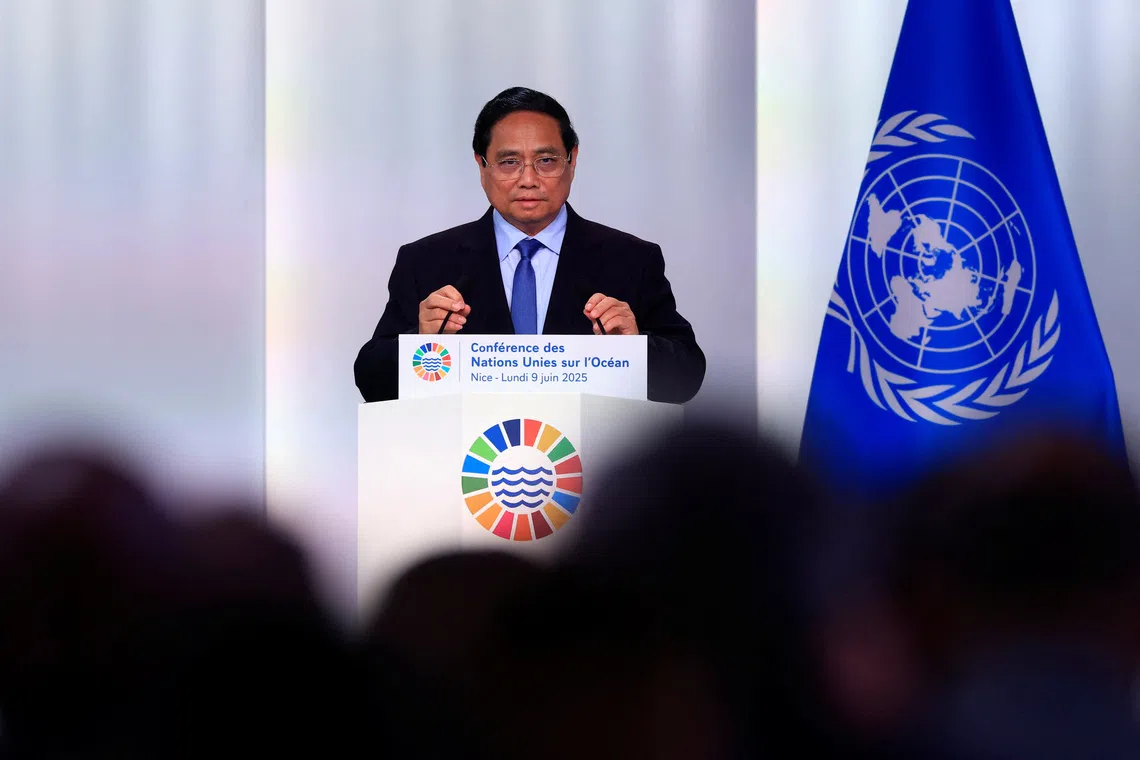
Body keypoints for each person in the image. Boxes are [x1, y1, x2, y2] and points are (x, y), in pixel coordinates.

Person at [353, 87, 706, 404]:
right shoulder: (427, 261)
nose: (528, 179)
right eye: (509, 162)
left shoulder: (630, 259)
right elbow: (371, 378)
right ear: (482, 165)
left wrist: (636, 346)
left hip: (594, 468)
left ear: (573, 160)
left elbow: (687, 376)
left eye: (546, 161)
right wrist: (420, 342)